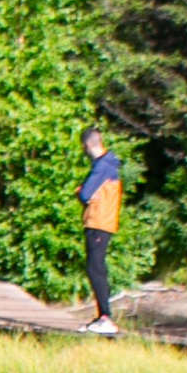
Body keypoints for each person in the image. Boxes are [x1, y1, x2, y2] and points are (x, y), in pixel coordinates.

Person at [78, 124, 124, 336]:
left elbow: (85, 194)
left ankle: (105, 317)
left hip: (98, 223)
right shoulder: (109, 165)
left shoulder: (102, 166)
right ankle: (102, 317)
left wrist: (82, 192)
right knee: (95, 268)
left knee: (95, 269)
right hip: (101, 223)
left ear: (88, 145)